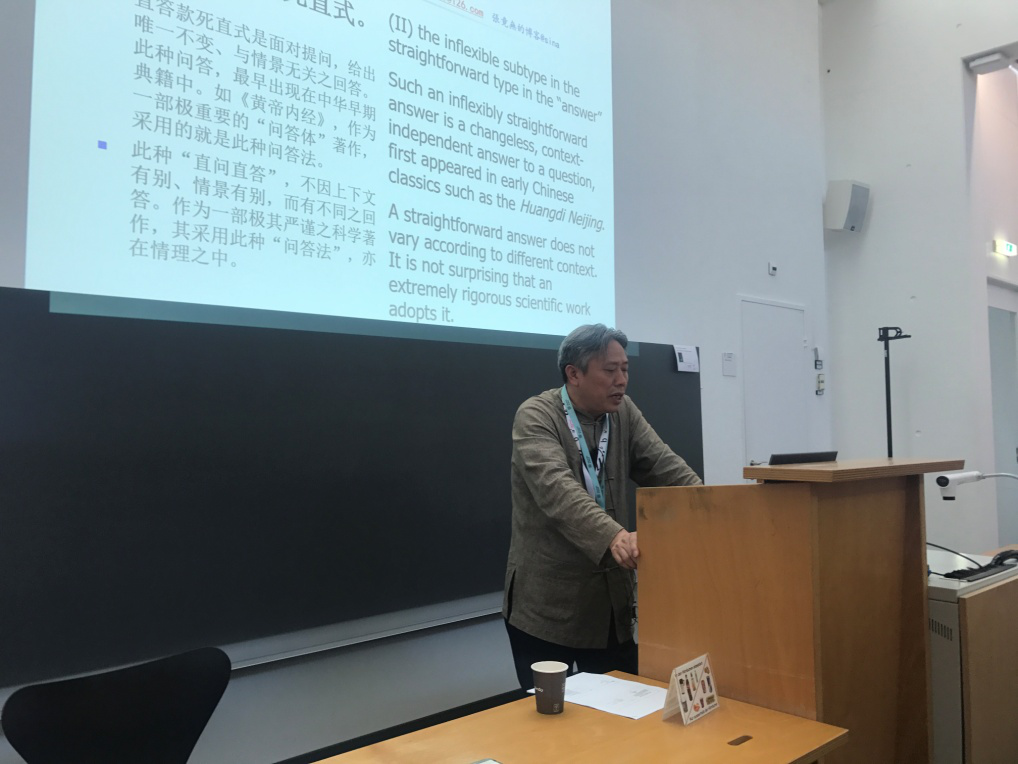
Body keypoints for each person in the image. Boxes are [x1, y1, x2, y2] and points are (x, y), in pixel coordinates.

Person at [502, 324, 702, 689]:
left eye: (625, 369)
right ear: (574, 374)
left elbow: (666, 467)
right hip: (547, 607)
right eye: (610, 370)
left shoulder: (623, 412)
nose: (621, 380)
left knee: (625, 706)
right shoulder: (536, 416)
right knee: (551, 714)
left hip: (611, 607)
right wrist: (614, 537)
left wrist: (713, 507)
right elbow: (558, 491)